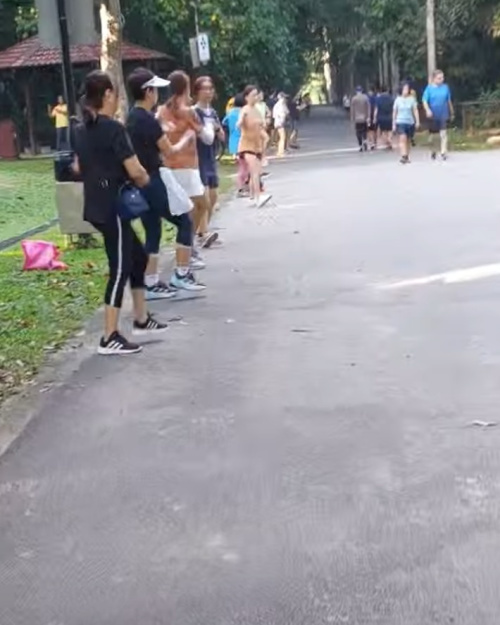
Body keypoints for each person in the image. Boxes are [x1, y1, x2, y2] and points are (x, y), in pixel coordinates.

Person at [72, 70, 168, 356]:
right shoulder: (113, 129)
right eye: (115, 95)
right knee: (120, 268)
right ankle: (109, 336)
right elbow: (136, 170)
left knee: (136, 258)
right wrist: (147, 181)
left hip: (96, 204)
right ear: (108, 95)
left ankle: (140, 318)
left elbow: (78, 168)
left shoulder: (79, 130)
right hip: (113, 205)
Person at [126, 67, 205, 296]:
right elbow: (169, 151)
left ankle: (149, 283)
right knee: (184, 220)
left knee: (153, 229)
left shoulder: (131, 118)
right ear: (148, 91)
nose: (158, 94)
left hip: (139, 181)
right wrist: (188, 138)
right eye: (155, 90)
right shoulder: (148, 121)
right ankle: (181, 274)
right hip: (155, 178)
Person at [156, 70, 217, 266]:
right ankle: (187, 248)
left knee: (189, 210)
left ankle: (188, 248)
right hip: (188, 167)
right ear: (187, 87)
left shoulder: (160, 111)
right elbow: (207, 138)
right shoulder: (189, 112)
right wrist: (208, 125)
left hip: (169, 167)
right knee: (201, 206)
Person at [193, 76, 225, 244]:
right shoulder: (194, 112)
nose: (208, 92)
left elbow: (221, 136)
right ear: (197, 91)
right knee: (203, 197)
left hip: (211, 157)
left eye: (210, 88)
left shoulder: (212, 113)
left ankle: (202, 230)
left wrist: (217, 129)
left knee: (213, 197)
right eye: (204, 88)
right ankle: (203, 233)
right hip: (197, 158)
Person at [238, 85, 271, 208]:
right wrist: (239, 123)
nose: (256, 97)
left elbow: (261, 128)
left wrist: (264, 140)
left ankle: (253, 197)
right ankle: (258, 197)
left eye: (257, 94)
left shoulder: (257, 110)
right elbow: (241, 120)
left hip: (257, 145)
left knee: (255, 172)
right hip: (246, 145)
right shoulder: (245, 109)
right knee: (255, 171)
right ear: (247, 97)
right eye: (253, 95)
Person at [423, 69, 454, 161]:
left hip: (443, 113)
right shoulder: (429, 88)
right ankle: (433, 149)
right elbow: (424, 100)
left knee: (443, 133)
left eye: (442, 78)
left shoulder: (445, 87)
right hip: (433, 113)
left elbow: (448, 100)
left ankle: (443, 151)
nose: (441, 80)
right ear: (434, 79)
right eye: (439, 78)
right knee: (433, 135)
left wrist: (451, 111)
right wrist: (427, 110)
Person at [393, 82, 420, 164]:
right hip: (400, 121)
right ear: (401, 90)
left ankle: (407, 155)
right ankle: (403, 156)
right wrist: (393, 123)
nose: (406, 90)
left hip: (410, 122)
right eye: (404, 89)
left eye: (407, 89)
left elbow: (415, 110)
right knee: (402, 138)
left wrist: (417, 121)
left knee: (408, 140)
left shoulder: (412, 99)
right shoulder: (397, 100)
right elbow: (395, 112)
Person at [374, 85, 394, 150]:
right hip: (390, 117)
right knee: (390, 130)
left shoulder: (378, 99)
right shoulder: (391, 98)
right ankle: (389, 139)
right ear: (387, 91)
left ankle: (387, 142)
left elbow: (376, 109)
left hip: (381, 117)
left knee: (383, 131)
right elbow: (394, 109)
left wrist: (374, 118)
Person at [350, 86, 370, 152]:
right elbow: (368, 108)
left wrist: (352, 118)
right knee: (364, 131)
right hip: (364, 118)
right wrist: (368, 117)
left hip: (357, 118)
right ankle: (365, 141)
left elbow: (352, 110)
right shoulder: (365, 98)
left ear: (356, 91)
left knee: (358, 132)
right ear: (362, 90)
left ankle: (360, 145)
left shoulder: (354, 99)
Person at [272, 92, 289, 158]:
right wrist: (281, 118)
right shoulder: (280, 105)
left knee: (281, 137)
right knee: (282, 137)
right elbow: (284, 113)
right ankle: (280, 152)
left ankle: (280, 151)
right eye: (284, 97)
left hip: (278, 122)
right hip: (280, 122)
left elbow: (287, 112)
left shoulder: (279, 105)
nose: (285, 99)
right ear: (281, 98)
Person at [367, 86, 378, 150]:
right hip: (374, 116)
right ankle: (375, 143)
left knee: (369, 130)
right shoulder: (376, 98)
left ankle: (371, 143)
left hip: (369, 115)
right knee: (374, 130)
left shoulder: (367, 98)